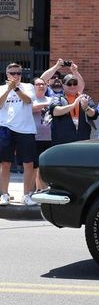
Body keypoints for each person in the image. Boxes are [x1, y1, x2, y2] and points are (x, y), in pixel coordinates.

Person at [0, 63, 37, 206]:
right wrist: (8, 90)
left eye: (18, 73)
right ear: (7, 75)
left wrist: (15, 88)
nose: (16, 76)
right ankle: (4, 194)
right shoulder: (2, 88)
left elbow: (28, 100)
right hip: (5, 127)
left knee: (28, 163)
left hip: (26, 129)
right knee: (5, 163)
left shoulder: (28, 87)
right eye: (12, 73)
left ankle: (27, 195)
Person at [50, 74, 97, 145]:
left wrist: (86, 108)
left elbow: (94, 115)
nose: (72, 86)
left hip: (82, 139)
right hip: (62, 142)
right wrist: (74, 104)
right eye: (69, 84)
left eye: (75, 84)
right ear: (63, 85)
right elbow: (55, 111)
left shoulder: (85, 98)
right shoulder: (58, 97)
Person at [31, 77, 52, 191]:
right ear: (33, 87)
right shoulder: (30, 100)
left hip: (50, 137)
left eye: (43, 84)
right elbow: (31, 109)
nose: (41, 86)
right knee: (35, 166)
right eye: (38, 84)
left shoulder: (51, 99)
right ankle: (36, 190)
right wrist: (45, 105)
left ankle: (41, 189)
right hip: (35, 137)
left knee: (44, 165)